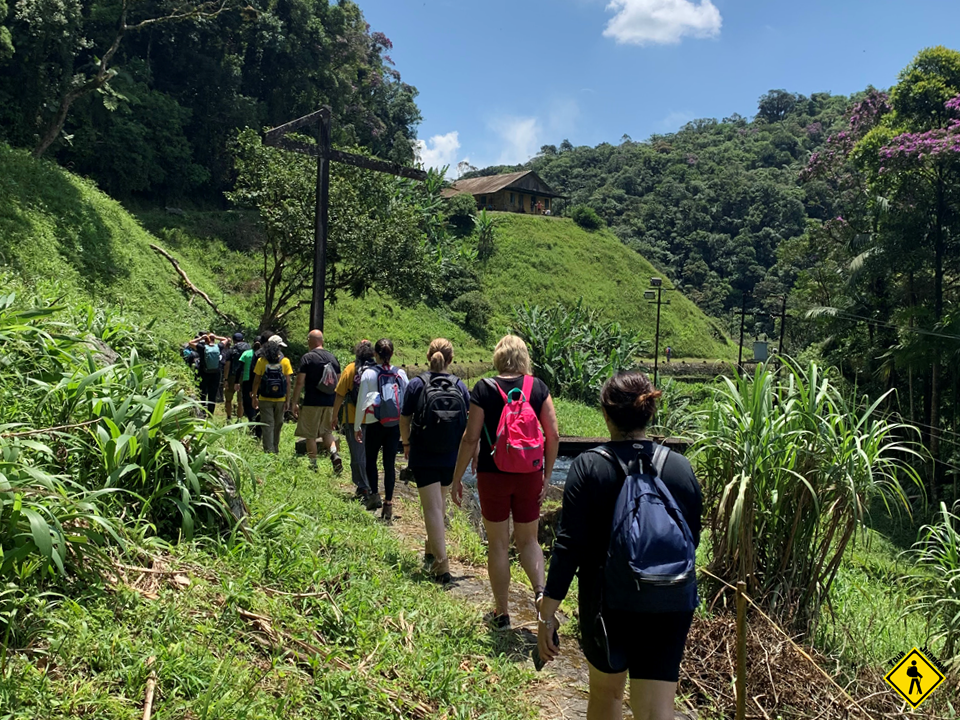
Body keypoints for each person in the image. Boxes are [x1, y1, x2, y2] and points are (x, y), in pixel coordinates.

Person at [536, 371, 702, 720]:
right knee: (658, 710)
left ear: (606, 414)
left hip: (607, 603)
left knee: (607, 696)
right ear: (649, 412)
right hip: (670, 599)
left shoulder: (589, 467)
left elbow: (568, 547)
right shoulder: (680, 468)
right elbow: (692, 540)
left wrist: (547, 611)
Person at [451, 335, 560, 628]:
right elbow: (553, 435)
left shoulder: (484, 388)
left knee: (498, 545)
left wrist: (457, 477)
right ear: (524, 358)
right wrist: (547, 475)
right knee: (529, 541)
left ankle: (501, 612)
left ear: (497, 357)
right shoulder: (537, 387)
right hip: (530, 476)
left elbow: (470, 437)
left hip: (493, 474)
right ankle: (540, 597)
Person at [399, 339, 469, 585]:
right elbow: (468, 425)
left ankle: (442, 567)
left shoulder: (417, 384)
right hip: (451, 455)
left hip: (424, 454)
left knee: (432, 508)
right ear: (451, 360)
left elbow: (404, 418)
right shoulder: (460, 386)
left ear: (428, 356)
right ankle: (430, 553)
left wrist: (406, 443)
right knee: (439, 504)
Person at [355, 338, 408, 520]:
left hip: (373, 422)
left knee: (371, 459)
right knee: (389, 464)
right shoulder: (400, 373)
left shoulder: (369, 374)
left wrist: (357, 426)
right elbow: (407, 401)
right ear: (392, 354)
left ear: (375, 354)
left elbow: (362, 401)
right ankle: (389, 504)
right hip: (394, 424)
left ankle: (374, 495)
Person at [291, 330, 343, 473]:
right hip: (329, 401)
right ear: (322, 341)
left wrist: (294, 401)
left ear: (310, 341)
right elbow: (339, 382)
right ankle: (334, 453)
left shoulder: (308, 358)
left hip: (311, 402)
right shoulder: (332, 358)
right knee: (327, 431)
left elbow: (300, 382)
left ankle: (313, 465)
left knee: (310, 434)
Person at [332, 340, 376, 500]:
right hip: (374, 418)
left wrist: (334, 416)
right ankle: (372, 487)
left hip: (353, 417)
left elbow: (340, 394)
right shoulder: (377, 370)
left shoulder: (351, 369)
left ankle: (363, 487)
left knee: (358, 454)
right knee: (370, 454)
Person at [250, 336, 294, 454]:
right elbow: (288, 383)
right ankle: (275, 449)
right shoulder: (285, 361)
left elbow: (256, 380)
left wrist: (254, 396)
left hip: (264, 398)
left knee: (268, 424)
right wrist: (288, 400)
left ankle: (269, 451)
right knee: (278, 424)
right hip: (280, 398)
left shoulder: (261, 361)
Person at [188, 332, 229, 414]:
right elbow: (226, 339)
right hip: (215, 374)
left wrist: (200, 338)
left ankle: (203, 411)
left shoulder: (202, 347)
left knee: (203, 393)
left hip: (204, 373)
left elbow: (190, 343)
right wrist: (216, 336)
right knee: (212, 394)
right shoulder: (219, 346)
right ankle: (210, 413)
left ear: (205, 340)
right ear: (214, 340)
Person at [223, 332, 251, 421]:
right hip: (245, 376)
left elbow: (227, 365)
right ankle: (239, 419)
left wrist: (225, 379)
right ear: (243, 340)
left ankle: (228, 417)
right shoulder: (249, 350)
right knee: (241, 401)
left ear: (234, 341)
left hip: (232, 376)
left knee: (228, 399)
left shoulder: (231, 350)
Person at [236, 339, 257, 425]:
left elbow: (239, 367)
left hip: (247, 379)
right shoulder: (263, 354)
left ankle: (251, 421)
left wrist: (236, 381)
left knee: (247, 402)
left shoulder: (246, 353)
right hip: (259, 381)